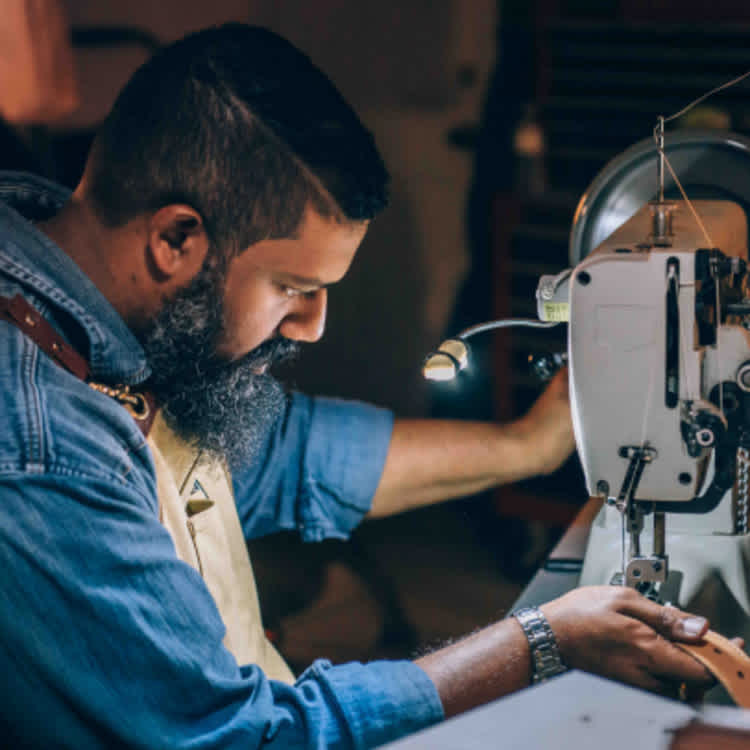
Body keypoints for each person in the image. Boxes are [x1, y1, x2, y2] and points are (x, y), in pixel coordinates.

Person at [0, 24, 717, 749]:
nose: (311, 326)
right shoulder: (40, 442)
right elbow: (243, 738)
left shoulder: (90, 306)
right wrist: (536, 641)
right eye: (293, 287)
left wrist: (532, 442)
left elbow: (289, 455)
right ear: (176, 239)